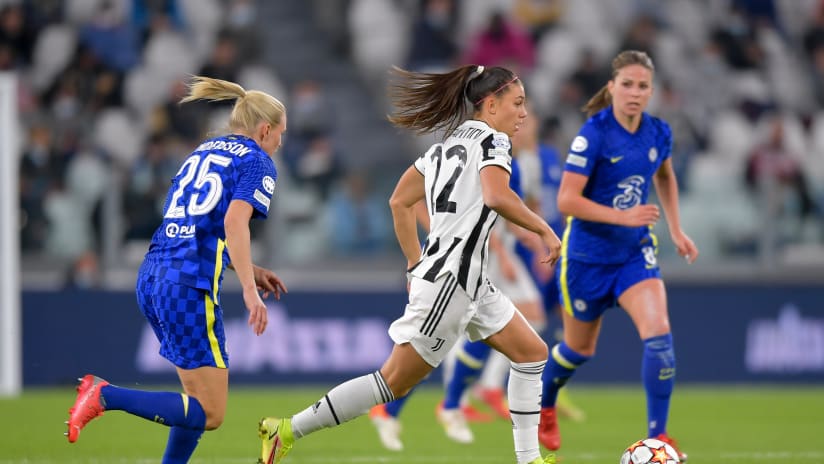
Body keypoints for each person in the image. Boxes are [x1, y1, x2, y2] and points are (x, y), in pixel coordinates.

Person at [257, 64, 562, 464]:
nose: (523, 113)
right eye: (517, 104)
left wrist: (415, 263)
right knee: (392, 383)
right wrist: (545, 230)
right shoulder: (495, 144)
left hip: (467, 280)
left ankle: (529, 459)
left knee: (531, 352)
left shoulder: (444, 146)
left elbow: (399, 201)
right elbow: (496, 196)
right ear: (489, 106)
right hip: (452, 282)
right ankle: (286, 430)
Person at [65, 76, 289, 464]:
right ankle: (104, 395)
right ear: (265, 129)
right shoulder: (258, 160)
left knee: (193, 405)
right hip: (187, 287)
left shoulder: (201, 152)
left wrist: (247, 268)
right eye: (280, 134)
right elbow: (235, 224)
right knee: (212, 413)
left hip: (153, 275)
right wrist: (251, 295)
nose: (280, 143)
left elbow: (196, 224)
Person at [536, 50, 697, 462]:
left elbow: (664, 173)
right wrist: (621, 216)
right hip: (587, 259)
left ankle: (658, 440)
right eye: (627, 84)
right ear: (611, 87)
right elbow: (567, 200)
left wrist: (676, 230)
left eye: (643, 86)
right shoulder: (593, 134)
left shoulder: (658, 132)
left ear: (651, 91)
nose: (635, 92)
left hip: (633, 255)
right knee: (577, 352)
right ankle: (546, 402)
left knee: (660, 338)